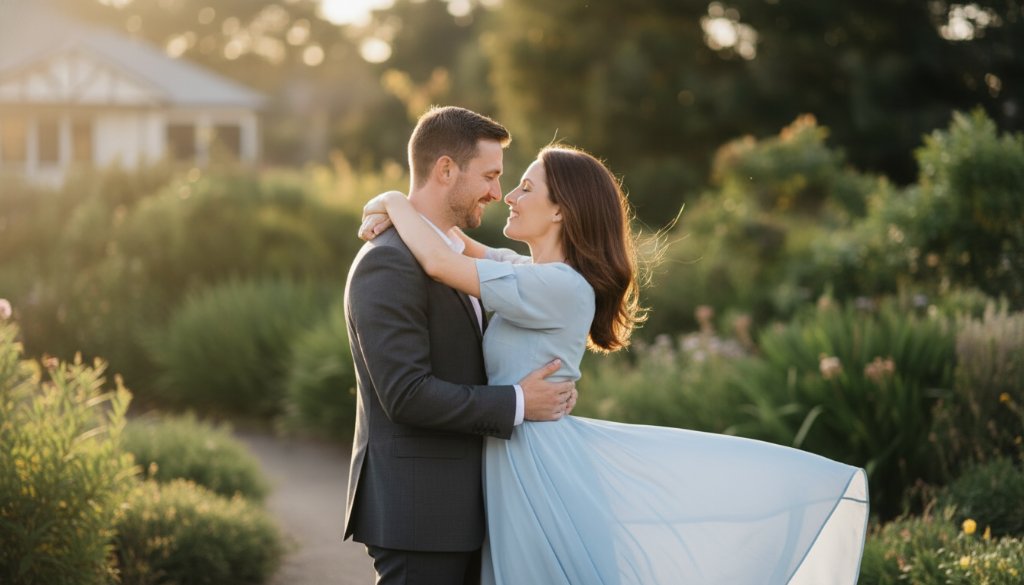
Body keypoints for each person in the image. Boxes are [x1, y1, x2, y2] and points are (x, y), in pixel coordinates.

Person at [359, 142, 870, 584]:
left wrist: (391, 201)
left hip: (537, 463)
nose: (508, 197)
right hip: (514, 451)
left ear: (561, 211)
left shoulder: (559, 286)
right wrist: (407, 213)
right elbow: (456, 244)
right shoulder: (528, 270)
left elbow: (442, 262)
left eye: (524, 187)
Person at [342, 106, 579, 585]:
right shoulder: (388, 263)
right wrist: (518, 401)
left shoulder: (452, 253)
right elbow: (406, 394)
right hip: (420, 513)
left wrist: (390, 201)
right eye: (490, 176)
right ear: (446, 169)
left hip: (467, 511)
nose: (498, 192)